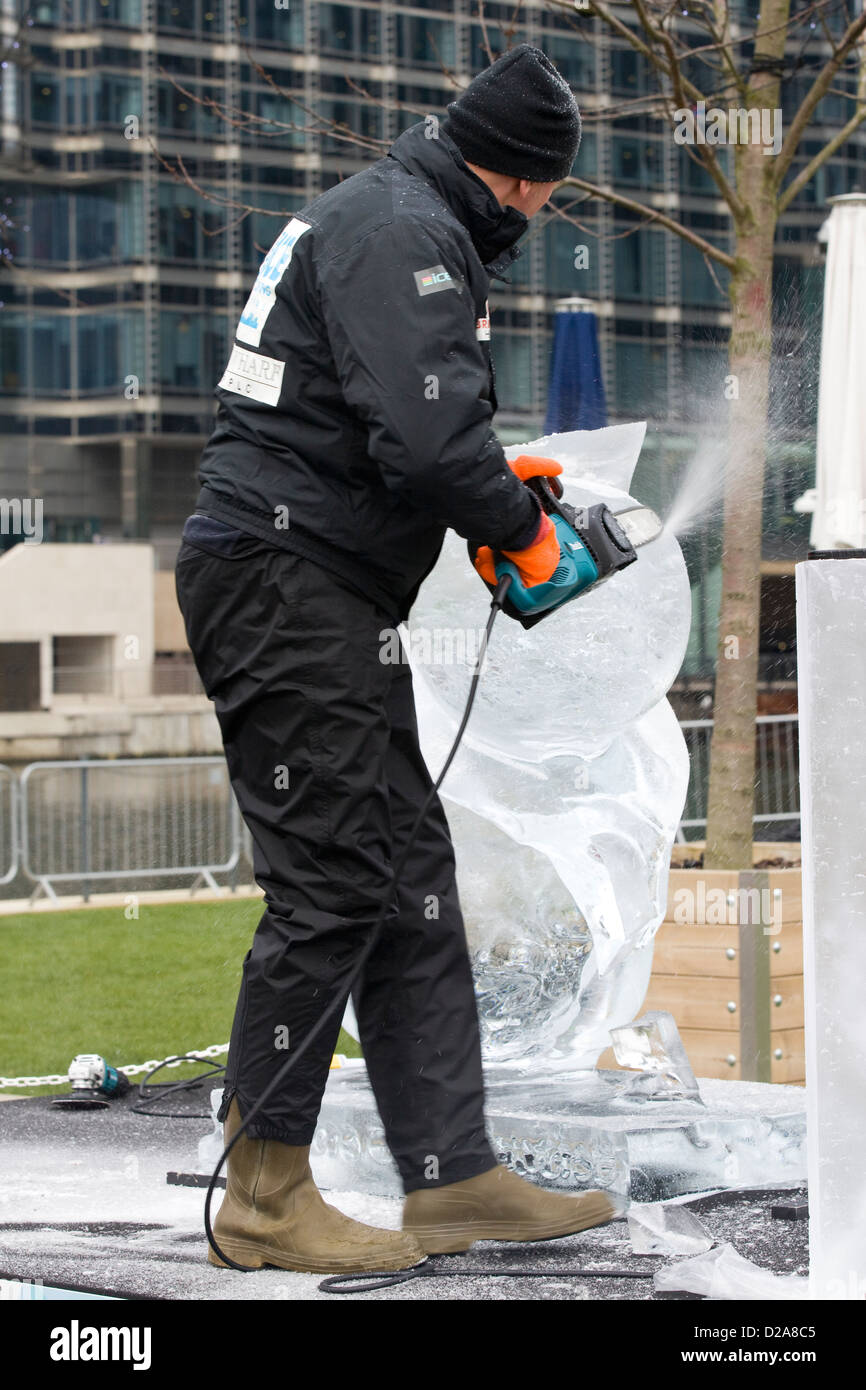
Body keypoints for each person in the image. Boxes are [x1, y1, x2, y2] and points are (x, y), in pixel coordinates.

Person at [175, 43, 621, 1276]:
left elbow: (405, 429)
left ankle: (452, 1177)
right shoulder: (410, 234)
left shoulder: (389, 214)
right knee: (330, 883)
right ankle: (262, 1194)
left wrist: (495, 489)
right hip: (284, 581)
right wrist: (524, 532)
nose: (537, 217)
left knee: (403, 868)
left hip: (306, 577)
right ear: (525, 179)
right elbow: (428, 442)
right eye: (544, 196)